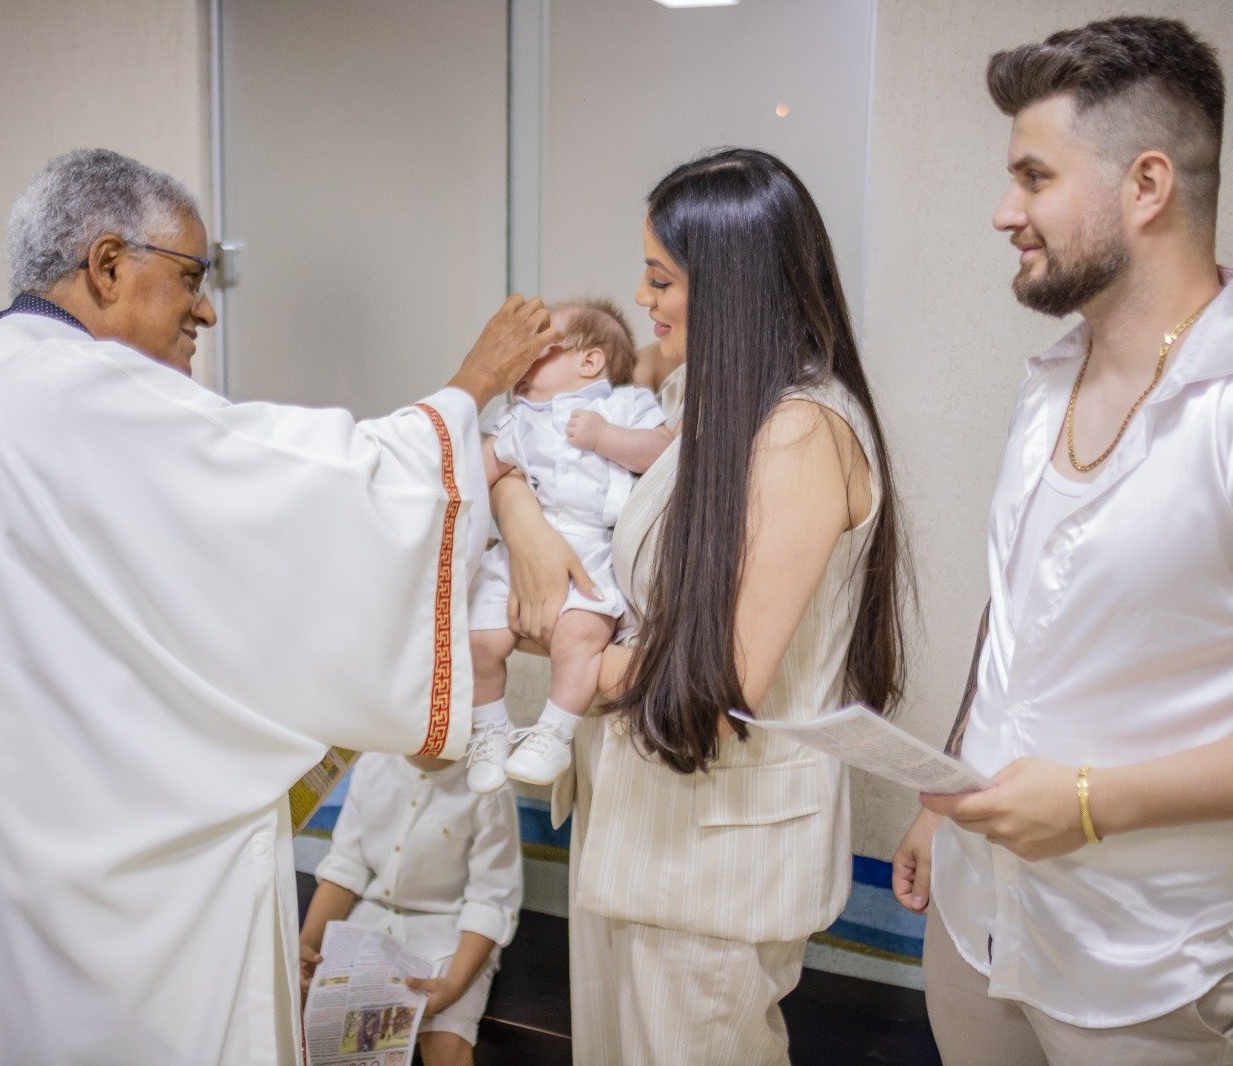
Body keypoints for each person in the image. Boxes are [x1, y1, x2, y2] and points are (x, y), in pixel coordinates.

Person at [0, 147, 554, 1065]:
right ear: (108, 264)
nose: (203, 308)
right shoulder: (71, 394)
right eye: (191, 277)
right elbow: (313, 497)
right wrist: (468, 392)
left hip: (27, 887)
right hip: (119, 920)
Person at [891, 17, 1233, 1065]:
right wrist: (949, 797)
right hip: (978, 918)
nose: (1003, 212)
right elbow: (1020, 611)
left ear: (1147, 186)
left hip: (1150, 969)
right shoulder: (1045, 388)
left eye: (1033, 176)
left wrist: (1089, 803)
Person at [495, 148, 911, 1064]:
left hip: (714, 865)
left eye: (661, 278)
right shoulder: (708, 404)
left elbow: (721, 671)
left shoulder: (803, 428)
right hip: (643, 831)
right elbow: (540, 470)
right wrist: (522, 520)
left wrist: (579, 668)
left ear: (733, 285)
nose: (644, 301)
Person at [465, 298, 672, 792]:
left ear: (589, 360)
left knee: (579, 638)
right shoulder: (518, 419)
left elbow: (663, 452)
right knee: (476, 638)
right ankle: (489, 730)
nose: (521, 357)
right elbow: (475, 472)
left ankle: (553, 734)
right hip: (517, 550)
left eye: (539, 347)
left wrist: (605, 437)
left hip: (591, 550)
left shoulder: (624, 405)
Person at [298, 752, 522, 1066]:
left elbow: (490, 900)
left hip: (452, 939)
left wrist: (453, 985)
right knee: (307, 1009)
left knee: (446, 1042)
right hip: (370, 923)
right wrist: (306, 944)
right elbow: (346, 867)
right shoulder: (373, 763)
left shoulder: (488, 788)